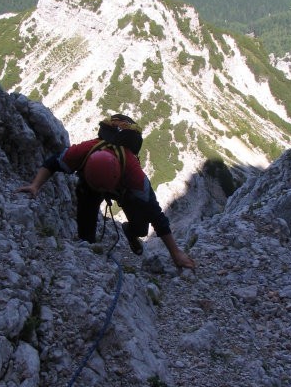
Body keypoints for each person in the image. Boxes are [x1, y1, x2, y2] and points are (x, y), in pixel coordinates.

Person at [17, 114, 195, 270]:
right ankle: (88, 245)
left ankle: (131, 232)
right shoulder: (84, 151)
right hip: (89, 185)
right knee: (86, 226)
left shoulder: (134, 175)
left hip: (122, 190)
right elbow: (53, 162)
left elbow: (156, 214)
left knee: (141, 227)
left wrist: (176, 253)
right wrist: (35, 186)